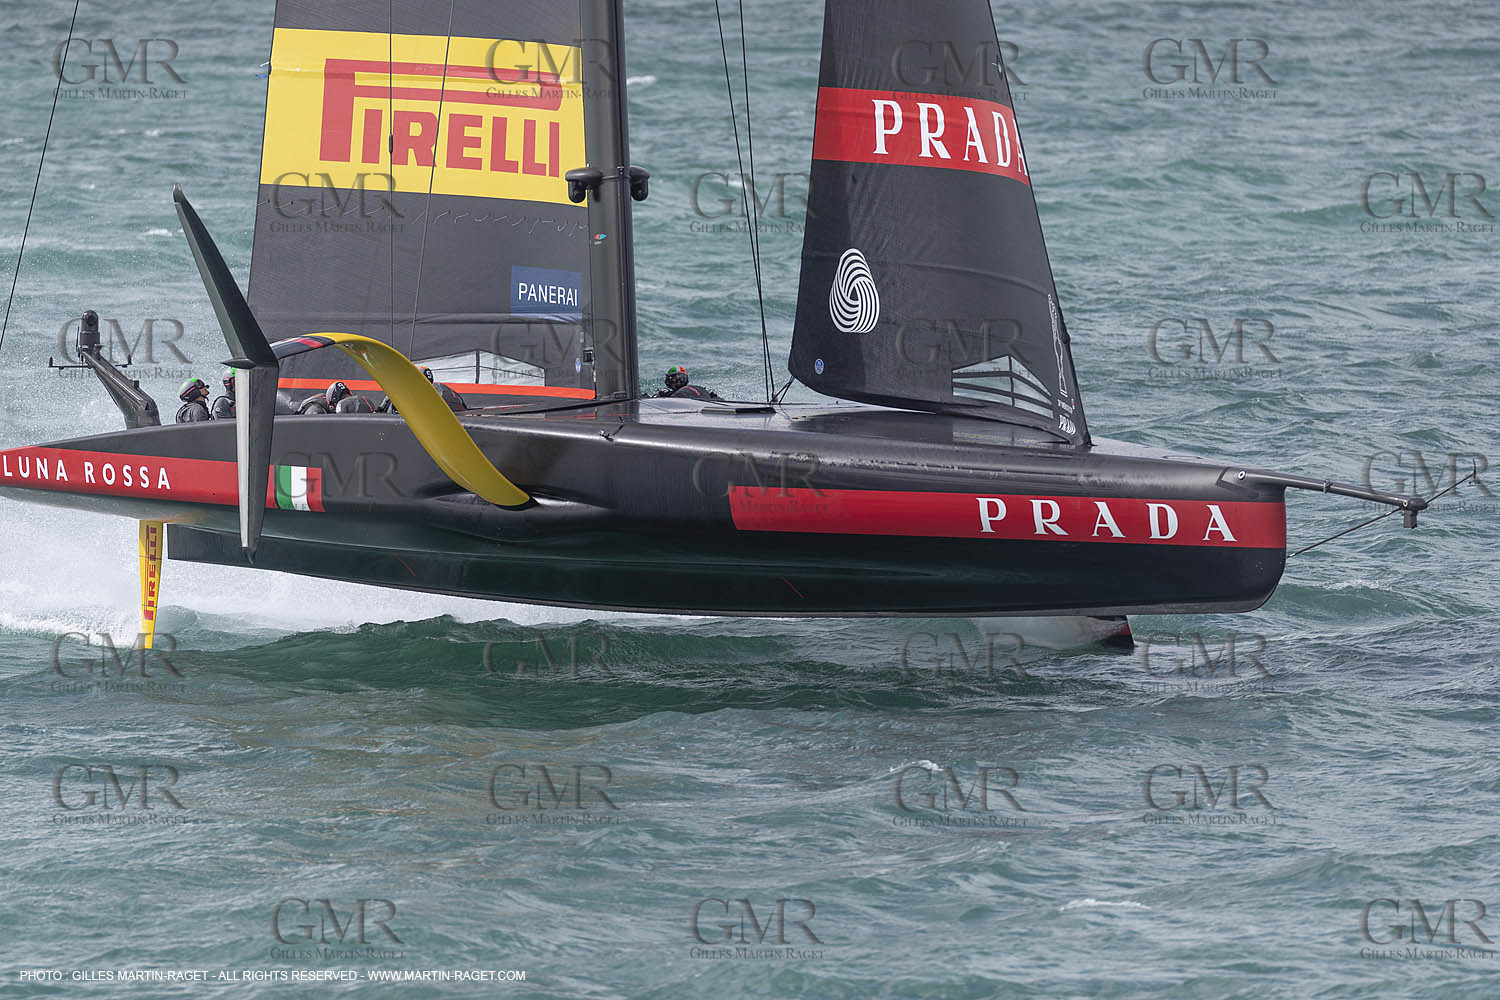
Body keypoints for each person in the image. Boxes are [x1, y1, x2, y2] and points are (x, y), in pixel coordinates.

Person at [377, 366, 466, 414]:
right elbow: (382, 409)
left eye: (428, 384)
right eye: (424, 383)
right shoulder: (401, 392)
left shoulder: (437, 393)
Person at [654, 364, 719, 400]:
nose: (679, 382)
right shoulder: (665, 392)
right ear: (669, 380)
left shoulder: (699, 389)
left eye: (682, 379)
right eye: (676, 379)